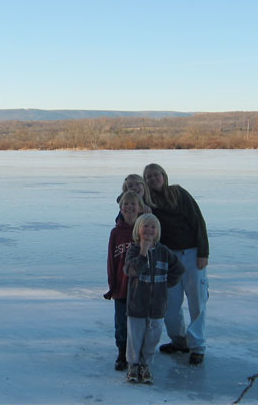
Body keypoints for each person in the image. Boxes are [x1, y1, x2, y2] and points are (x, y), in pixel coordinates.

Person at [143, 163, 209, 366]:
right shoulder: (148, 201)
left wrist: (203, 252)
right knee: (170, 304)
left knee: (196, 301)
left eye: (157, 174)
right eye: (149, 176)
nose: (154, 179)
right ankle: (179, 341)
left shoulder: (179, 194)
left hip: (191, 253)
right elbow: (124, 199)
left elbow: (198, 221)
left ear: (164, 175)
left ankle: (197, 346)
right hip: (168, 258)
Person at [124, 214, 185, 384]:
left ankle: (145, 365)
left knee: (153, 337)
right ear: (138, 229)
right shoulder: (134, 250)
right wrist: (143, 252)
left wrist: (166, 284)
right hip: (137, 305)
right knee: (135, 337)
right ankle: (133, 365)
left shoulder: (163, 252)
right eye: (146, 226)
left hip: (158, 305)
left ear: (157, 231)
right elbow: (131, 270)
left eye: (153, 227)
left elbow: (179, 269)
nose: (149, 230)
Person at [103, 191, 144, 371]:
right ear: (120, 208)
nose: (129, 207)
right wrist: (112, 285)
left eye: (133, 204)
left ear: (140, 208)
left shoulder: (145, 229)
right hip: (121, 286)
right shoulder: (116, 232)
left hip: (141, 288)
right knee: (121, 323)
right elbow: (111, 260)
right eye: (125, 204)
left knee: (140, 323)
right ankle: (122, 353)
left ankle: (139, 353)